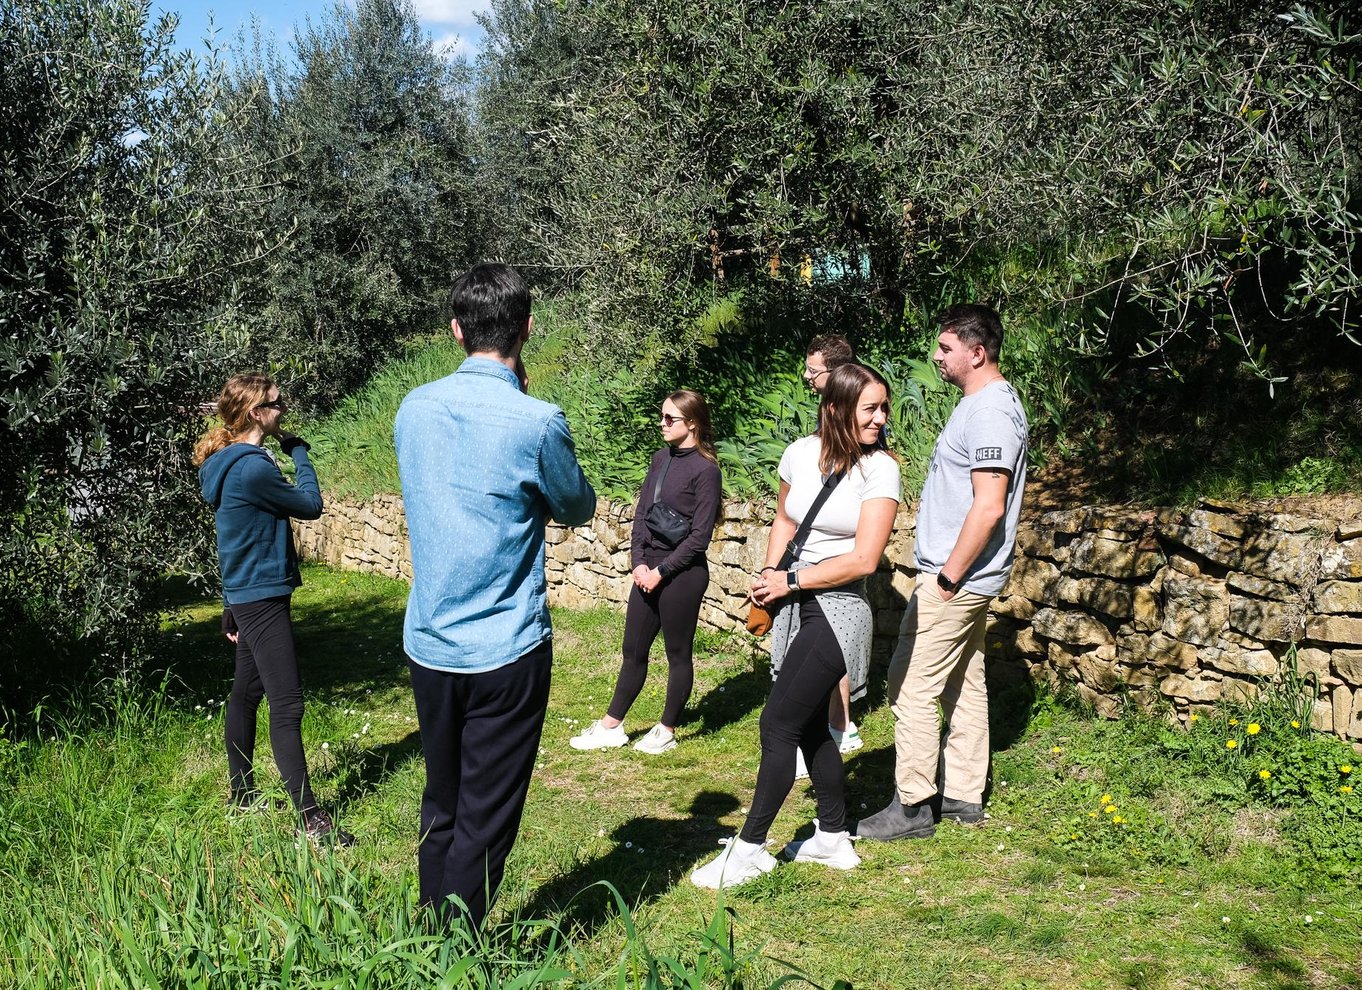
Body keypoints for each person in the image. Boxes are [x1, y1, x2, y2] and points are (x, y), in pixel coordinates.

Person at [395, 262, 596, 928]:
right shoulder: (536, 420)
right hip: (504, 647)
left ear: (455, 329)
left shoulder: (413, 408)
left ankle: (428, 934)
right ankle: (452, 951)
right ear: (527, 329)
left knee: (443, 799)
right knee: (487, 813)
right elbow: (576, 505)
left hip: (430, 641)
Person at [691, 363, 900, 888]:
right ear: (835, 409)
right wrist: (769, 573)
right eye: (869, 408)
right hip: (795, 602)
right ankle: (831, 837)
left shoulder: (882, 470)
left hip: (840, 609)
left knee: (777, 723)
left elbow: (865, 559)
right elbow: (786, 520)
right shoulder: (800, 454)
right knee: (806, 724)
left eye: (884, 407)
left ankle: (750, 849)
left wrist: (793, 580)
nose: (881, 418)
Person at [857, 304, 1028, 842]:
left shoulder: (990, 413)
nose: (937, 356)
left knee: (910, 685)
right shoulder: (979, 405)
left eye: (946, 347)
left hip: (958, 580)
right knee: (964, 681)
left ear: (977, 353)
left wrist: (950, 576)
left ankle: (911, 806)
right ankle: (963, 795)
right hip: (968, 578)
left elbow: (988, 505)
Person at [194, 374, 352, 845]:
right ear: (256, 414)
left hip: (248, 595)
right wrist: (298, 451)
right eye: (277, 404)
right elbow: (310, 504)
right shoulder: (252, 469)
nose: (284, 409)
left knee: (246, 692)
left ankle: (241, 796)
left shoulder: (227, 464)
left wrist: (229, 605)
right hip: (261, 598)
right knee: (287, 703)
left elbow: (233, 539)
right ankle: (311, 821)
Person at [570, 390, 722, 755]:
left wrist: (662, 571)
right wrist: (638, 562)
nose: (662, 424)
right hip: (647, 569)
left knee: (677, 652)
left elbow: (700, 538)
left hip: (682, 575)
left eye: (671, 419)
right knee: (633, 650)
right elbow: (642, 515)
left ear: (693, 423)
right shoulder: (660, 459)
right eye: (662, 417)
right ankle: (612, 725)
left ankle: (666, 728)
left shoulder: (706, 471)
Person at [801, 334, 864, 758]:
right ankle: (833, 720)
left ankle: (841, 724)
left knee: (834, 637)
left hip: (840, 552)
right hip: (818, 552)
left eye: (813, 371)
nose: (807, 378)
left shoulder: (855, 415)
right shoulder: (830, 412)